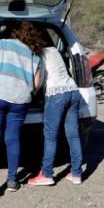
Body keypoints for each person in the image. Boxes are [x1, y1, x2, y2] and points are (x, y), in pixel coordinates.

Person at [0, 21, 45, 197]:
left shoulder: (3, 44)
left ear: (15, 33)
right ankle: (12, 180)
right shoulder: (35, 55)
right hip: (20, 100)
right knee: (13, 139)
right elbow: (36, 84)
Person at [27, 39, 83, 187]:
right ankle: (76, 173)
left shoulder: (37, 55)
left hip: (56, 94)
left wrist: (31, 92)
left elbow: (38, 81)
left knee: (51, 136)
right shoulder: (54, 50)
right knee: (73, 134)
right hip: (72, 90)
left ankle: (46, 174)